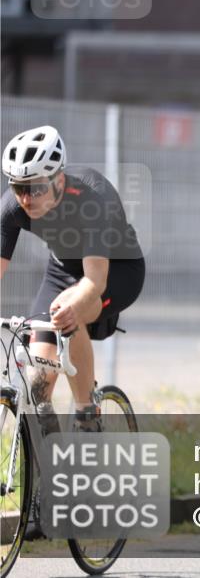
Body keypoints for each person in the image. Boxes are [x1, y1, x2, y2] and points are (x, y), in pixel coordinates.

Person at [0, 125, 145, 432]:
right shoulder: (12, 206)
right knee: (37, 379)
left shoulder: (92, 200)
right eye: (18, 187)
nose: (26, 198)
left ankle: (86, 415)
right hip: (63, 268)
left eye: (36, 187)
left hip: (117, 271)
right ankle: (46, 464)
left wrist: (71, 308)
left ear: (59, 180)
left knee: (68, 314)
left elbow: (94, 282)